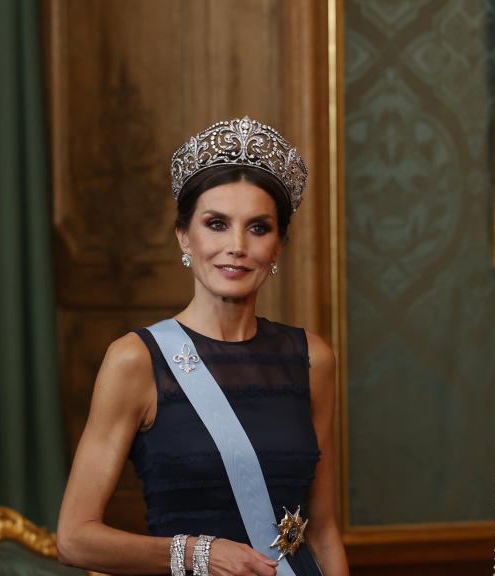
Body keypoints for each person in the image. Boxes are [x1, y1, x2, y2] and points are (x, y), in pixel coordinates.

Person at [56, 117, 348, 575]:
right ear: (184, 237)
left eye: (258, 228)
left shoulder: (313, 359)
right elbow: (74, 539)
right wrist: (196, 553)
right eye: (216, 223)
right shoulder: (135, 360)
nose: (236, 245)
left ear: (279, 246)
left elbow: (324, 530)